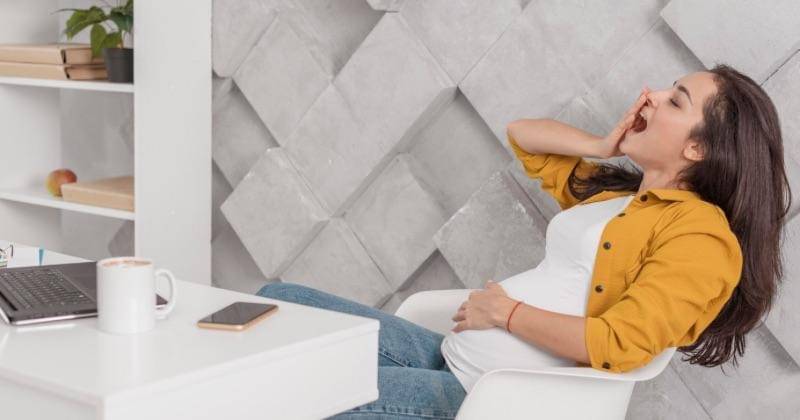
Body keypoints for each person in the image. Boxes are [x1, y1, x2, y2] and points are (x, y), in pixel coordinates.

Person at [257, 64, 793, 419]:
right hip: (448, 357)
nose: (650, 96)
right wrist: (603, 144)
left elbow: (620, 344)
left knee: (293, 391)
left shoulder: (701, 237)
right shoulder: (622, 200)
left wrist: (506, 313)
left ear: (699, 149)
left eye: (675, 101)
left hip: (483, 400)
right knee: (281, 305)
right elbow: (523, 136)